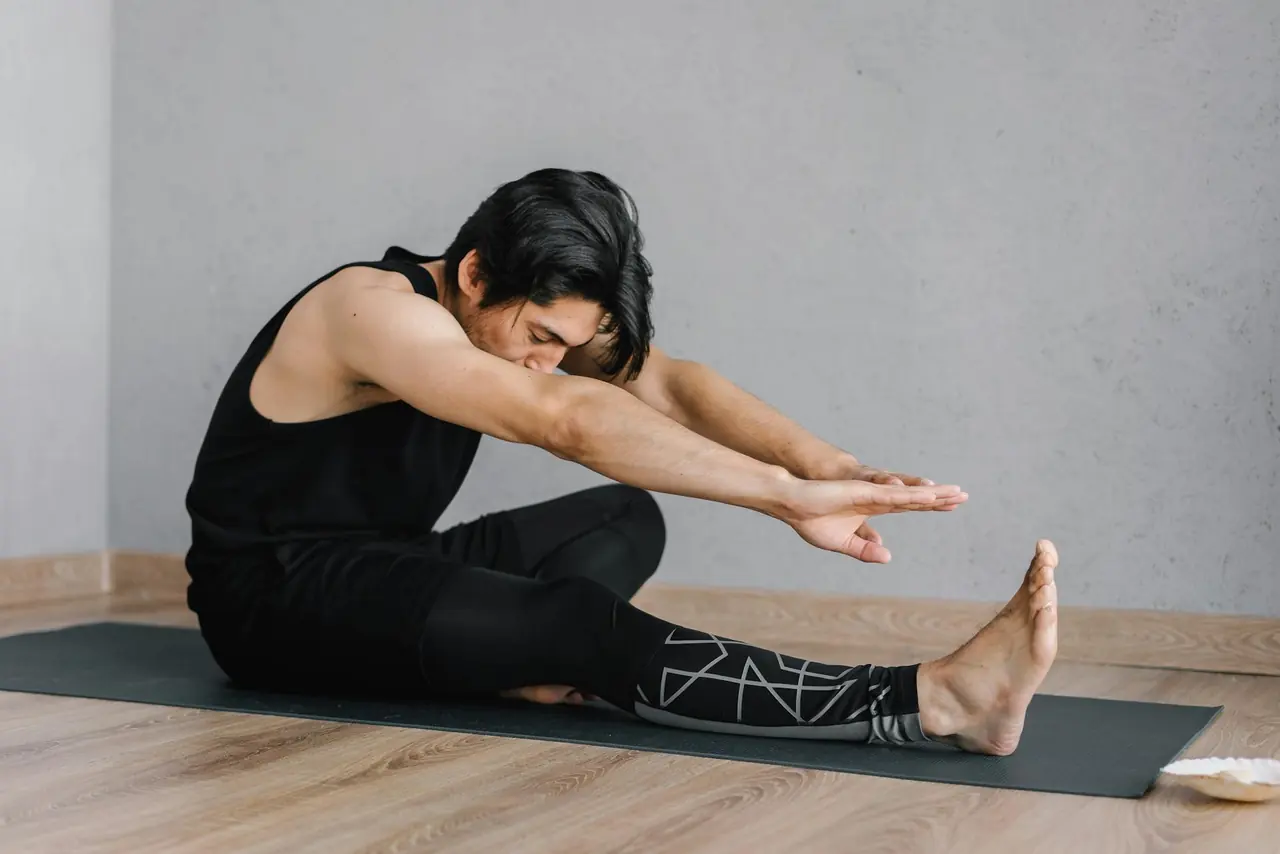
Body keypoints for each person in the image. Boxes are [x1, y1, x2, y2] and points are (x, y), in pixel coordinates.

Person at [185, 168, 1058, 755]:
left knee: (623, 515)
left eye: (564, 344)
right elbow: (560, 418)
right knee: (574, 622)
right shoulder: (367, 311)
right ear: (478, 273)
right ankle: (931, 702)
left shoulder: (517, 311)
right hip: (273, 603)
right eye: (539, 338)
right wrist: (783, 496)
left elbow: (666, 386)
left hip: (387, 566)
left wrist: (829, 464)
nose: (548, 359)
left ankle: (511, 660)